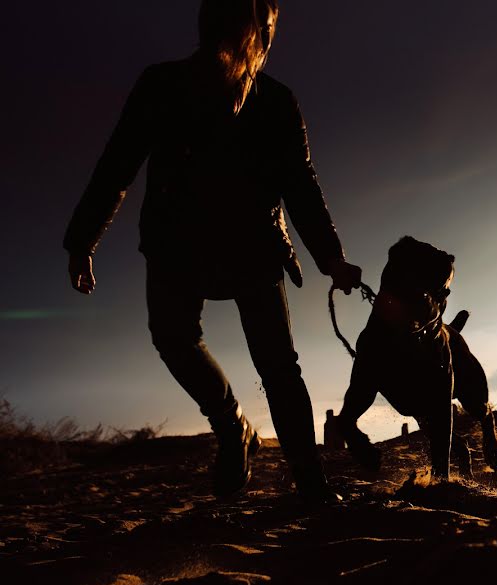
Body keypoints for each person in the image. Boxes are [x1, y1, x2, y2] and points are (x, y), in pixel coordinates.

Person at [64, 0, 361, 505]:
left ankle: (310, 482)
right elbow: (118, 164)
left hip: (255, 247)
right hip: (176, 244)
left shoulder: (276, 101)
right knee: (173, 337)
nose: (268, 40)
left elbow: (300, 184)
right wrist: (82, 241)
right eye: (265, 29)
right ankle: (233, 426)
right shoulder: (161, 85)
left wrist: (330, 256)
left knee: (278, 365)